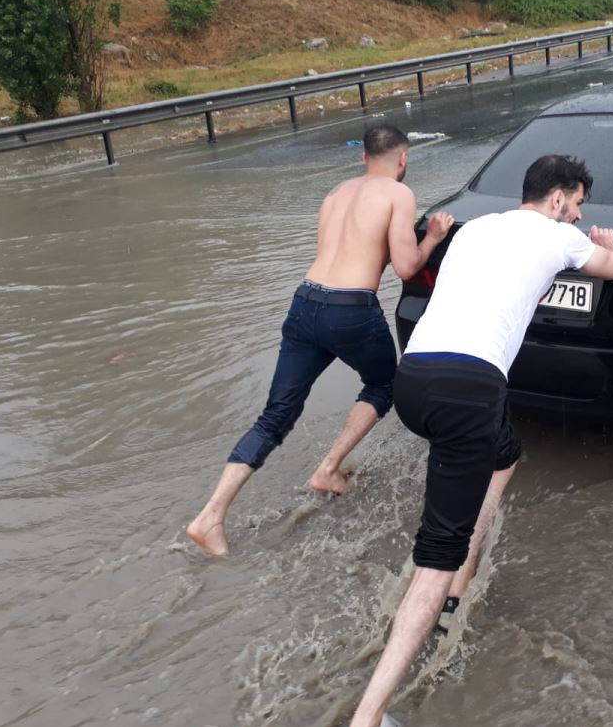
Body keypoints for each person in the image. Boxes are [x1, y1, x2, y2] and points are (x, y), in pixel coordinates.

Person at [349, 155, 613, 727]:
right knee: (435, 557)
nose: (579, 216)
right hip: (468, 390)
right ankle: (369, 718)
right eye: (577, 205)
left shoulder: (476, 227)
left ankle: (462, 575)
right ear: (557, 199)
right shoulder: (560, 237)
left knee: (504, 454)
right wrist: (609, 244)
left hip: (415, 379)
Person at [186, 124, 454, 557]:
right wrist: (434, 237)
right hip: (350, 309)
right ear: (403, 159)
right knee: (384, 384)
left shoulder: (335, 193)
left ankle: (210, 516)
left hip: (305, 302)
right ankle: (328, 469)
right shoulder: (398, 194)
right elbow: (406, 266)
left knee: (275, 415)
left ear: (363, 157)